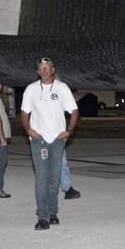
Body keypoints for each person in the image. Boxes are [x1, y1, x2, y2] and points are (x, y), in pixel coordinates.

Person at [20, 56, 79, 230]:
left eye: (48, 67)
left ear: (53, 70)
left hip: (57, 140)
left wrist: (69, 131)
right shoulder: (31, 90)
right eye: (41, 68)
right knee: (41, 179)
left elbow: (74, 111)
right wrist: (29, 130)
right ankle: (43, 217)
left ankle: (53, 212)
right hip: (39, 141)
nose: (45, 70)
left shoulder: (62, 88)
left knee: (54, 180)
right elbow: (24, 113)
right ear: (38, 72)